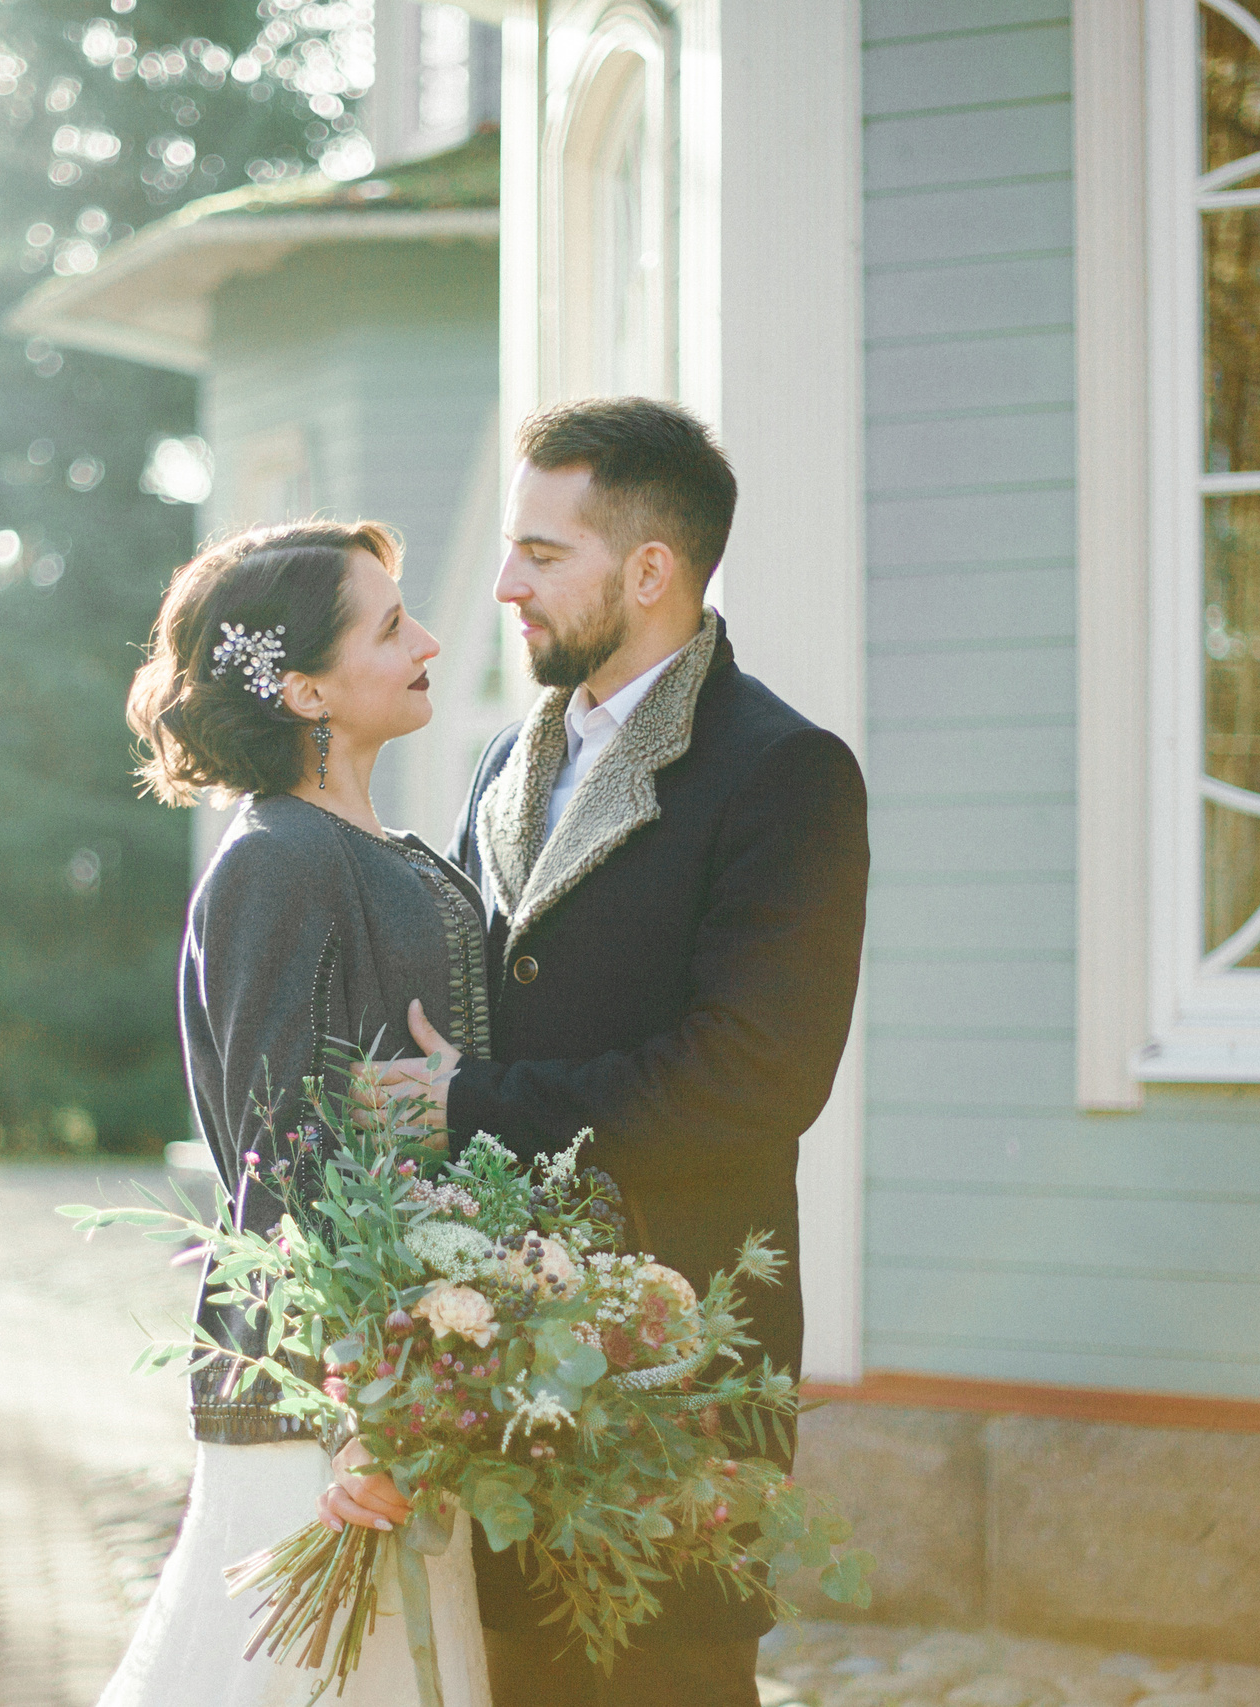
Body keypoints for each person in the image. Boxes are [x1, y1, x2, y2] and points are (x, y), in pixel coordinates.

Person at [347, 398, 871, 1707]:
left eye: (540, 550)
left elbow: (757, 1075)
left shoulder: (785, 770)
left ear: (650, 569)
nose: (504, 584)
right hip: (496, 1358)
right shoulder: (500, 768)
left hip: (682, 1355)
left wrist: (468, 1102)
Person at [98, 519, 495, 1707]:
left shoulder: (384, 851)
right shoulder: (275, 859)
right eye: (389, 624)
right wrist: (363, 1396)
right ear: (305, 686)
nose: (427, 639)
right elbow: (287, 1157)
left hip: (408, 1377)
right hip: (327, 1412)